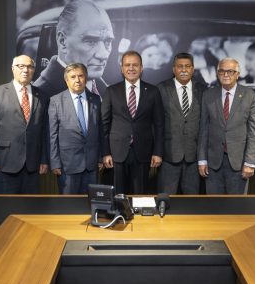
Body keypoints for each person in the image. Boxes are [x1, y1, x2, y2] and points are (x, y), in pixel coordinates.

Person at [101, 50, 164, 194]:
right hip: (117, 153)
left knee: (140, 195)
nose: (131, 68)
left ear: (141, 68)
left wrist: (158, 152)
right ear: (122, 68)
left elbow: (159, 125)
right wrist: (105, 153)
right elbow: (104, 124)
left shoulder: (153, 91)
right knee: (118, 195)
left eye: (135, 65)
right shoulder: (111, 91)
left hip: (143, 152)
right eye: (127, 65)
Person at [0, 55, 49, 194]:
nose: (25, 70)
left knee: (31, 207)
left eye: (30, 67)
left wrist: (44, 160)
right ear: (13, 69)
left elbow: (44, 131)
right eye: (21, 66)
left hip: (33, 166)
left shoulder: (42, 96)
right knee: (6, 206)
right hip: (4, 164)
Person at [197, 58, 255, 194]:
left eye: (230, 71)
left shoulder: (250, 96)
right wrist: (202, 159)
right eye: (222, 71)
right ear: (217, 73)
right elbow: (203, 129)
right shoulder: (208, 95)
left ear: (237, 74)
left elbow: (254, 132)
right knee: (214, 204)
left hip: (239, 163)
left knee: (237, 205)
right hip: (213, 163)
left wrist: (250, 162)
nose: (225, 75)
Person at [34, 0, 114, 97]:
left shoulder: (105, 91)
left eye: (107, 42)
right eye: (90, 41)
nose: (103, 55)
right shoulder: (39, 97)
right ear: (62, 41)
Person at [48, 63, 103, 194]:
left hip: (92, 164)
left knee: (90, 202)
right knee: (69, 204)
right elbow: (52, 135)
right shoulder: (56, 101)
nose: (77, 80)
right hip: (67, 165)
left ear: (86, 78)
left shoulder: (96, 99)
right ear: (66, 80)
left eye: (80, 76)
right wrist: (55, 163)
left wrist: (100, 158)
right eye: (73, 77)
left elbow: (100, 131)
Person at [157, 53, 204, 194]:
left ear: (193, 69)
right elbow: (156, 123)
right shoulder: (161, 89)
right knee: (165, 200)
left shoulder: (202, 89)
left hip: (193, 157)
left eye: (187, 66)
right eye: (180, 66)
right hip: (168, 156)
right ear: (174, 69)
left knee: (191, 201)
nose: (184, 70)